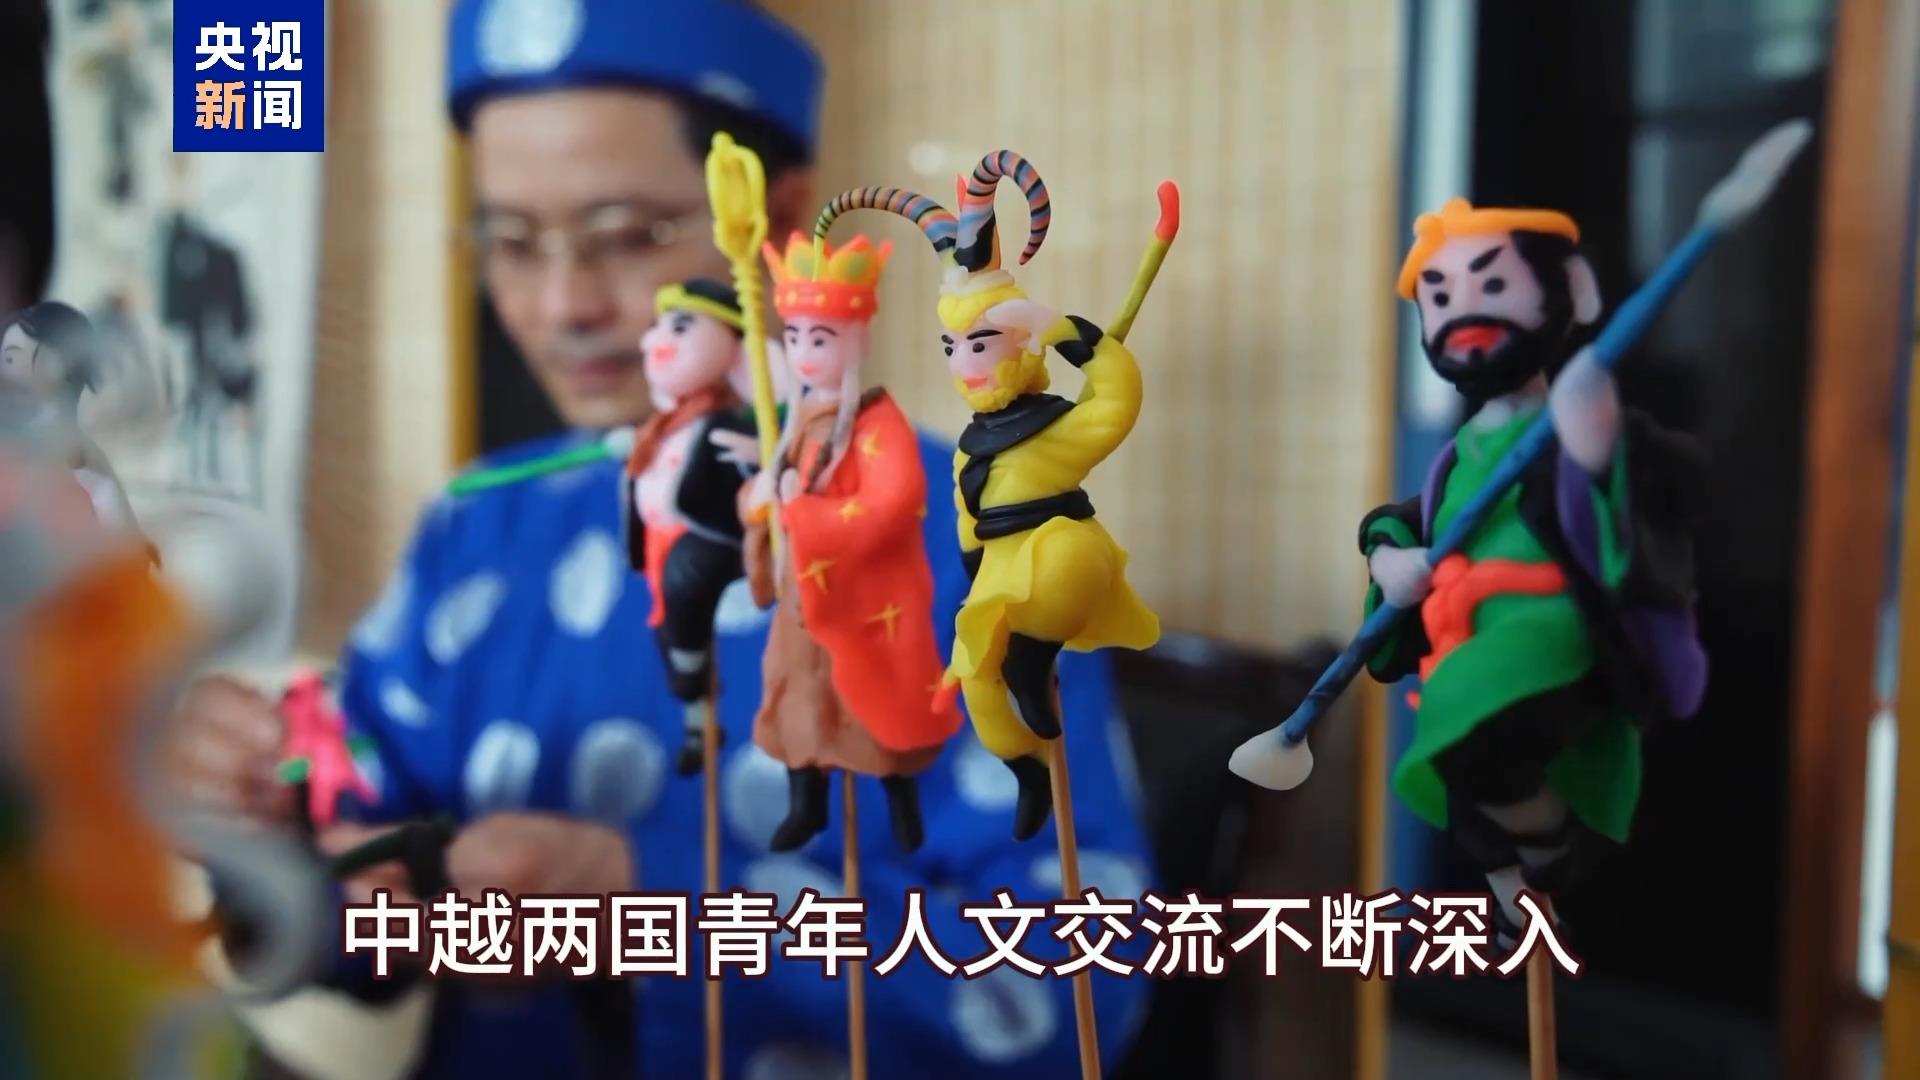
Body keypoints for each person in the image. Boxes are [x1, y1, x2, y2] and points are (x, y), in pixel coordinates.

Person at [166, 2, 1156, 1077]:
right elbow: (357, 842)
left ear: (777, 218)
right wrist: (262, 813)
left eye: (628, 234)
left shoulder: (969, 543)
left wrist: (658, 904)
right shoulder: (476, 523)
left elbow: (1081, 977)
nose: (561, 306)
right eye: (511, 242)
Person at [1360, 199, 1706, 937]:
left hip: (1551, 643)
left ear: (1572, 292)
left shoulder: (1572, 424)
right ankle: (1522, 892)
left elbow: (1656, 497)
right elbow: (1402, 523)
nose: (1465, 311)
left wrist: (1598, 454)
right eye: (1440, 298)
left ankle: (1550, 847)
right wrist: (1389, 560)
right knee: (1463, 780)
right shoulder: (1458, 458)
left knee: (1472, 738)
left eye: (1493, 285)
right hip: (1467, 649)